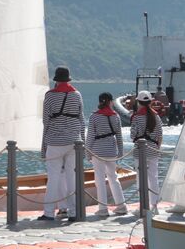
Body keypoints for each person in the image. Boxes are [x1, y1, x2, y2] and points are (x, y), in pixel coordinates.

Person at [37, 66, 84, 222]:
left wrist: (43, 146)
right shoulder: (77, 95)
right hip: (73, 142)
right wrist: (81, 142)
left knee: (54, 178)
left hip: (55, 141)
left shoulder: (50, 96)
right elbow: (81, 120)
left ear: (56, 80)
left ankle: (49, 212)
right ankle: (73, 212)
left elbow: (46, 121)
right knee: (72, 177)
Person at [87, 92, 126, 217]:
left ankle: (103, 208)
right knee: (113, 178)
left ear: (100, 102)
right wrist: (120, 152)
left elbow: (90, 137)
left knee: (99, 180)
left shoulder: (94, 117)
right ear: (110, 101)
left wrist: (88, 153)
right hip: (111, 151)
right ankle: (121, 205)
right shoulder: (116, 116)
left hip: (98, 151)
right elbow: (119, 138)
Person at [131, 89, 163, 214]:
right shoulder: (156, 116)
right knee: (153, 178)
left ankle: (143, 207)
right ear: (150, 102)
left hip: (140, 151)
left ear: (139, 102)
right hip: (153, 150)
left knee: (141, 179)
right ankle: (155, 206)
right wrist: (157, 149)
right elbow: (160, 135)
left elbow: (133, 135)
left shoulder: (136, 117)